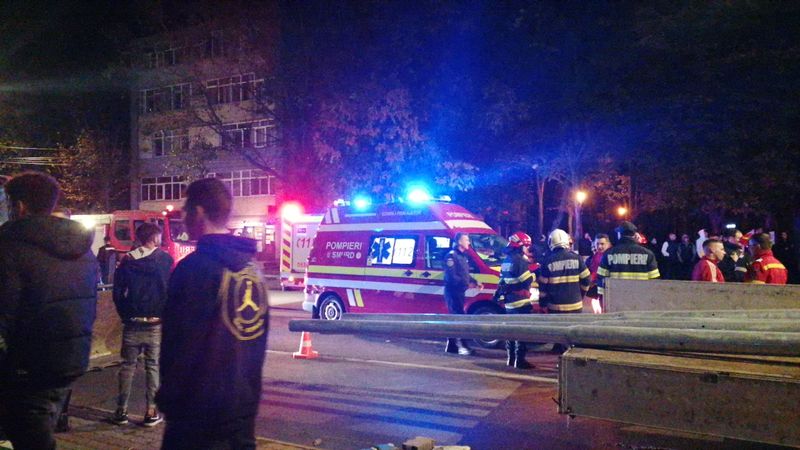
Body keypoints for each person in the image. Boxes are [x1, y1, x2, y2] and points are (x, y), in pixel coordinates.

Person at [156, 178, 269, 449]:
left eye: (185, 209)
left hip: (196, 422)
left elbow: (179, 348)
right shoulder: (254, 272)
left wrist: (169, 401)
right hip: (242, 416)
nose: (183, 216)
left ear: (198, 212)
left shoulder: (193, 270)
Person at [0, 172, 97, 449]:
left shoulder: (10, 246)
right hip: (70, 360)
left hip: (26, 363)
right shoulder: (83, 249)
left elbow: (5, 311)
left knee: (30, 435)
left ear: (19, 206)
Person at [112, 223, 174, 427]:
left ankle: (121, 411)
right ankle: (150, 412)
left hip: (132, 322)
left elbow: (117, 293)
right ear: (155, 238)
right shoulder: (165, 260)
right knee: (152, 366)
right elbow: (170, 291)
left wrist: (126, 314)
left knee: (127, 366)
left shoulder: (127, 260)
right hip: (155, 323)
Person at [497, 232, 535, 369]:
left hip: (509, 302)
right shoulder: (519, 260)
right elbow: (526, 281)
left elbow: (502, 281)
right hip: (520, 302)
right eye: (526, 246)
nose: (528, 249)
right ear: (520, 246)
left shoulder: (506, 260)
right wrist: (534, 273)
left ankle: (511, 358)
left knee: (511, 330)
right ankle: (520, 360)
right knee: (522, 331)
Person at [443, 232, 482, 356]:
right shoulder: (451, 256)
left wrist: (474, 281)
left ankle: (451, 345)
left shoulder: (462, 256)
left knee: (456, 317)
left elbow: (464, 274)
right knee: (459, 317)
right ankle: (462, 346)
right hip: (453, 292)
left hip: (459, 291)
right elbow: (451, 277)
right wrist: (467, 284)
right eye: (466, 240)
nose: (468, 242)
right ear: (460, 242)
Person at [597, 221, 660, 298]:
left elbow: (601, 278)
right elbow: (655, 280)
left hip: (617, 298)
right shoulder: (648, 254)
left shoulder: (609, 254)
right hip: (641, 298)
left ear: (619, 234)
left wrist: (602, 298)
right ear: (634, 235)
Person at [586, 233, 611, 313]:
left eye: (602, 244)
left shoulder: (612, 256)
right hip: (597, 290)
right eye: (597, 244)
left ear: (608, 244)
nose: (599, 246)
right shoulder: (593, 257)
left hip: (608, 290)